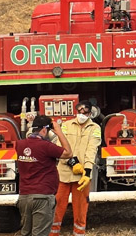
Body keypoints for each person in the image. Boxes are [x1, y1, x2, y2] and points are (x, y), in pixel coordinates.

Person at [51, 101, 104, 236]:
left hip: (82, 177)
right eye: (79, 112)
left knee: (81, 208)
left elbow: (92, 150)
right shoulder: (66, 125)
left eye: (85, 112)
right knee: (57, 205)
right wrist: (73, 163)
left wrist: (86, 172)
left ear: (90, 113)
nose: (81, 115)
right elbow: (60, 146)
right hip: (63, 173)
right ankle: (53, 233)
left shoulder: (95, 128)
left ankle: (79, 233)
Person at [16, 115, 72, 236]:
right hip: (42, 197)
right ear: (44, 130)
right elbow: (68, 153)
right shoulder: (46, 146)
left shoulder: (19, 145)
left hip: (24, 197)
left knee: (26, 233)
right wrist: (59, 132)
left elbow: (30, 146)